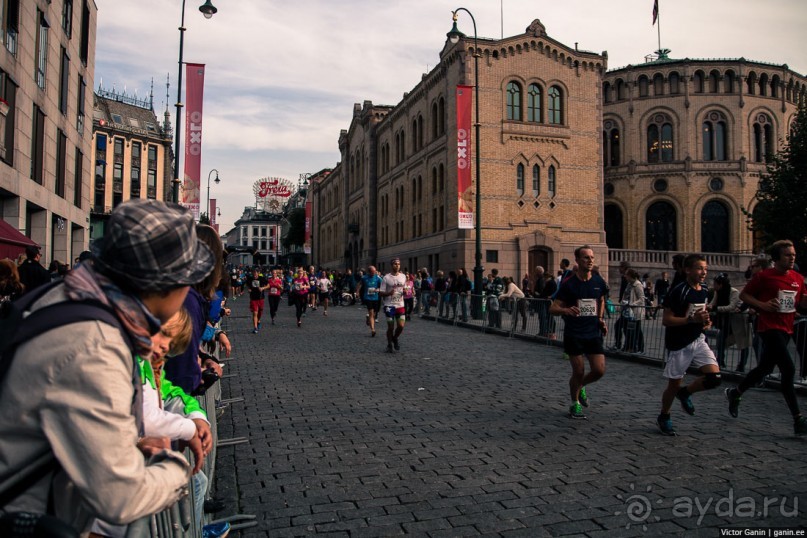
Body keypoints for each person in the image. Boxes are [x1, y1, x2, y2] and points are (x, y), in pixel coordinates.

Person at [0, 199, 215, 530]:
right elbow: (121, 495)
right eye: (188, 279)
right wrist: (173, 465)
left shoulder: (71, 298)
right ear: (166, 284)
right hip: (33, 518)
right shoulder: (95, 344)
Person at [726, 240, 807, 435]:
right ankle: (798, 419)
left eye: (793, 254)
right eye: (788, 255)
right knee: (788, 368)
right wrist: (762, 306)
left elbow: (802, 303)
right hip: (769, 328)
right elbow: (745, 296)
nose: (792, 257)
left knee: (765, 368)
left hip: (787, 328)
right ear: (776, 258)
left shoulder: (797, 277)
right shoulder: (764, 276)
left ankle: (735, 392)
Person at [656, 253, 721, 436]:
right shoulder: (678, 291)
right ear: (688, 270)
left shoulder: (705, 289)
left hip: (698, 339)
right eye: (700, 268)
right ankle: (664, 415)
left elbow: (702, 312)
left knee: (714, 378)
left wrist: (705, 321)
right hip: (679, 343)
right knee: (673, 385)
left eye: (705, 269)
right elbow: (667, 320)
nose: (703, 272)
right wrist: (690, 320)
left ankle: (686, 393)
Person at [549, 245, 609, 419]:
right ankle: (574, 404)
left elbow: (601, 300)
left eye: (592, 257)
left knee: (599, 370)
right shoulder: (569, 285)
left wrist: (600, 319)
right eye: (586, 258)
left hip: (592, 332)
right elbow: (553, 308)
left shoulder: (598, 281)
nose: (590, 260)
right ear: (577, 260)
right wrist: (566, 311)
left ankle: (580, 386)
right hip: (574, 332)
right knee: (579, 371)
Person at [707, 273, 749, 368]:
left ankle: (742, 365)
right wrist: (708, 307)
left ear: (720, 284)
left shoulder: (733, 292)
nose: (714, 285)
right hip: (726, 321)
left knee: (742, 344)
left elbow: (731, 307)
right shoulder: (717, 292)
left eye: (715, 283)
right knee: (720, 340)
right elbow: (713, 303)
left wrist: (715, 308)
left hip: (738, 321)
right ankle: (720, 361)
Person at [380, 258, 407, 352]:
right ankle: (389, 344)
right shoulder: (386, 278)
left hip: (400, 305)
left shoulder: (403, 276)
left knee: (401, 326)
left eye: (399, 264)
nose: (397, 266)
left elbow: (404, 288)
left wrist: (405, 291)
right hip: (389, 305)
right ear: (391, 265)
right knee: (390, 327)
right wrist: (388, 293)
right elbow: (381, 292)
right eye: (395, 264)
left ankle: (395, 338)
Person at [621, 269, 645, 353]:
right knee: (630, 329)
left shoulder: (638, 285)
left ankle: (639, 348)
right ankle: (630, 347)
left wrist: (632, 303)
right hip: (628, 311)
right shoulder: (629, 284)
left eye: (626, 275)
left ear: (630, 276)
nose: (625, 276)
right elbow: (626, 295)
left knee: (637, 330)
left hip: (635, 312)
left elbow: (641, 299)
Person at [356, 265, 382, 337]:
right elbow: (359, 284)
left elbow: (383, 286)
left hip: (376, 298)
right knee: (371, 312)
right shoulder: (364, 278)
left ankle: (368, 319)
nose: (373, 273)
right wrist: (357, 292)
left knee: (374, 314)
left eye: (374, 272)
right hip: (368, 298)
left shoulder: (378, 278)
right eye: (372, 272)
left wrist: (379, 289)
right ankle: (373, 330)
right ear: (369, 272)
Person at [248, 268, 269, 334]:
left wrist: (263, 288)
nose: (254, 275)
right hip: (253, 298)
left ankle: (258, 320)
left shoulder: (262, 278)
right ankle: (255, 327)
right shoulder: (250, 279)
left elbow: (268, 285)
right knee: (255, 313)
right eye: (253, 273)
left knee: (260, 312)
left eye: (256, 273)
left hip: (261, 298)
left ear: (258, 273)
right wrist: (249, 290)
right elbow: (248, 286)